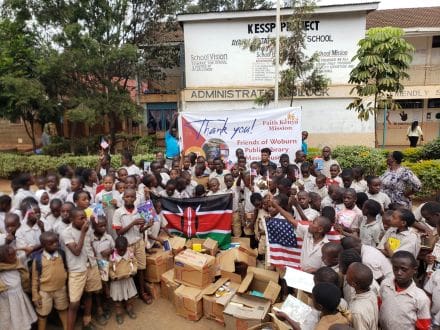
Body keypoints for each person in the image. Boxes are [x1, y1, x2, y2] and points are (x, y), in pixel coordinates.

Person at [61, 207, 102, 330]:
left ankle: (86, 321)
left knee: (89, 293)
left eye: (85, 217)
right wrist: (83, 232)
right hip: (77, 270)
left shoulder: (87, 228)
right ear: (72, 219)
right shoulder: (66, 233)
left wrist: (95, 259)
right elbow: (77, 251)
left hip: (90, 265)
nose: (85, 221)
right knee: (74, 303)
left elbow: (89, 245)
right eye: (81, 218)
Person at [112, 188, 153, 305]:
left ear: (135, 199)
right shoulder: (118, 212)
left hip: (138, 242)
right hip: (127, 246)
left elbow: (139, 230)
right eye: (127, 197)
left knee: (141, 268)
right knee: (128, 270)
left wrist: (146, 226)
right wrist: (133, 223)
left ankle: (141, 292)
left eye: (132, 197)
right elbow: (119, 233)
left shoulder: (139, 211)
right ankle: (128, 295)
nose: (129, 199)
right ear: (123, 198)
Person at [379, 251, 431, 330]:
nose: (399, 273)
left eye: (404, 269)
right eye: (395, 268)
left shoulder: (420, 298)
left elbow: (423, 325)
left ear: (414, 270)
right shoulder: (385, 284)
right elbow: (380, 304)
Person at [31, 231, 68, 330]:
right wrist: (35, 295)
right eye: (50, 243)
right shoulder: (38, 259)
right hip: (44, 292)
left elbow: (66, 269)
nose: (55, 244)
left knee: (63, 310)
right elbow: (34, 279)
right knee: (42, 315)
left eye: (56, 242)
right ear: (43, 245)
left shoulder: (61, 254)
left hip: (61, 289)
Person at [0, 244, 37, 330]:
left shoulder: (17, 261)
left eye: (15, 254)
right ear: (2, 258)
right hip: (5, 299)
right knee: (8, 319)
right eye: (11, 256)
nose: (14, 257)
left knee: (22, 317)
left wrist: (16, 249)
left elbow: (29, 250)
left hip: (19, 295)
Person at [109, 236, 138, 324]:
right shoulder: (113, 257)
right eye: (119, 250)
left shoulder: (130, 254)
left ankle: (129, 309)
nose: (121, 252)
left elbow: (135, 263)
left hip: (128, 280)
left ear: (127, 247)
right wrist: (113, 276)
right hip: (117, 282)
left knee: (130, 297)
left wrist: (134, 271)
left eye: (123, 250)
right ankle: (118, 314)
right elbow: (109, 269)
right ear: (115, 248)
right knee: (117, 300)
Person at [346, 262, 378, 330]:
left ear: (353, 284)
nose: (346, 273)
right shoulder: (372, 293)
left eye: (348, 272)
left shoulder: (357, 311)